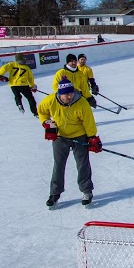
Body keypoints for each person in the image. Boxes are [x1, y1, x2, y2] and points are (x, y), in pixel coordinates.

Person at [38, 78, 102, 208]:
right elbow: (41, 111)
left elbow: (89, 122)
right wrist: (47, 124)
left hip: (79, 136)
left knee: (82, 164)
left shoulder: (81, 102)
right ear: (59, 93)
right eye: (66, 94)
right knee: (59, 164)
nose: (69, 96)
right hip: (60, 138)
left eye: (71, 93)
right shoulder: (50, 101)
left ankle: (87, 191)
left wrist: (92, 137)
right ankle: (54, 194)